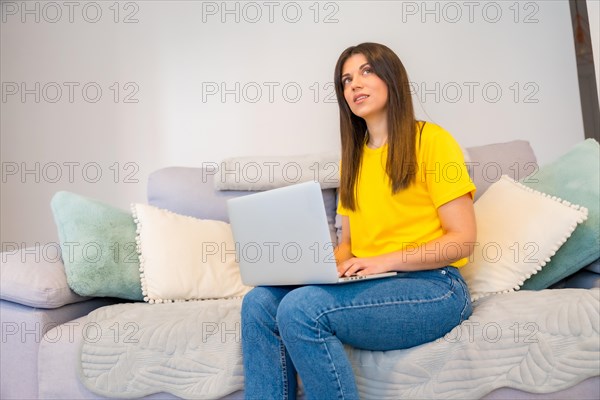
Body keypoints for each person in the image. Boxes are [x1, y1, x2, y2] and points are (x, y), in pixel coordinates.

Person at [241, 42, 476, 400]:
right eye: (346, 79)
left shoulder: (432, 140)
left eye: (366, 71)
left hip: (436, 287)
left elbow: (462, 239)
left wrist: (384, 260)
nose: (354, 84)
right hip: (371, 282)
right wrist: (311, 269)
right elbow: (348, 244)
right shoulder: (353, 160)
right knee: (259, 303)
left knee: (301, 310)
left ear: (392, 77)